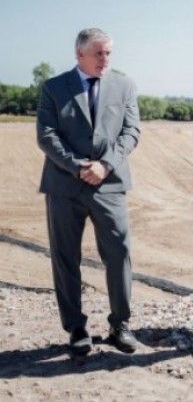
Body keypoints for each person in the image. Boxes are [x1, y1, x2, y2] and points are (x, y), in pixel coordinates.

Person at [36, 28, 141, 355]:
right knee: (66, 257)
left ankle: (120, 325)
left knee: (119, 253)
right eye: (99, 53)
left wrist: (105, 165)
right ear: (79, 54)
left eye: (109, 53)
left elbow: (131, 131)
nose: (105, 59)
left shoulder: (124, 86)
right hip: (65, 185)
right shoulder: (53, 88)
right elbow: (46, 135)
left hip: (110, 184)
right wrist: (78, 165)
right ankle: (76, 328)